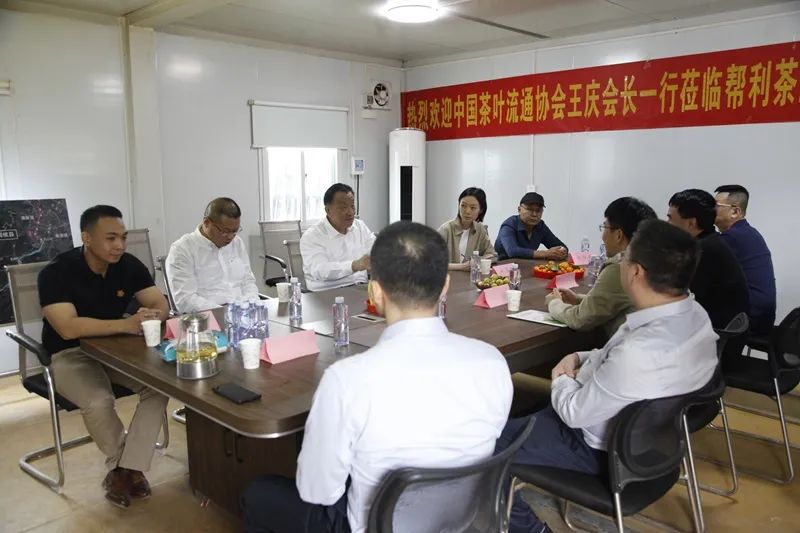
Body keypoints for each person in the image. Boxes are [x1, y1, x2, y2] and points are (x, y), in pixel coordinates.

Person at [242, 221, 512, 533]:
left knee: (258, 493)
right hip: (461, 521)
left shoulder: (347, 380)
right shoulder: (492, 362)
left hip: (373, 526)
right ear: (445, 287)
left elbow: (319, 493)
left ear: (375, 292)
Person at [499, 220, 718, 533]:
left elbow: (573, 413)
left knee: (482, 446)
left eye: (624, 258)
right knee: (519, 411)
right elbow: (612, 354)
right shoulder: (695, 318)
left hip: (594, 447)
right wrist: (578, 357)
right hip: (656, 444)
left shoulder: (640, 352)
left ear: (635, 272)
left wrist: (561, 376)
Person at [38, 205, 170, 509]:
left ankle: (127, 468)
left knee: (160, 385)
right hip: (69, 354)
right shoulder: (55, 273)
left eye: (123, 237)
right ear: (86, 238)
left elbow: (159, 303)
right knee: (99, 401)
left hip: (117, 351)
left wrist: (151, 315)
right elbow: (68, 328)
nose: (119, 245)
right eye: (111, 238)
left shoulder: (128, 265)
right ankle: (123, 468)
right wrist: (127, 324)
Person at [546, 197, 656, 338]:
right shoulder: (651, 261)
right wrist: (578, 299)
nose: (602, 237)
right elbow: (617, 301)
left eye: (604, 227)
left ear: (618, 235)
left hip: (628, 346)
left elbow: (580, 319)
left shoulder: (621, 267)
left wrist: (554, 303)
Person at [668, 189, 750, 329]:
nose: (667, 224)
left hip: (715, 332)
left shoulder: (704, 250)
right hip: (714, 326)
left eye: (670, 218)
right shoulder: (710, 242)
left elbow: (679, 296)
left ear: (691, 223)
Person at [166, 197, 259, 313]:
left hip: (242, 313)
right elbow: (185, 300)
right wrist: (225, 313)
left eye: (235, 231)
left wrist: (251, 304)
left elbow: (248, 281)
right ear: (206, 223)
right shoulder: (182, 249)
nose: (230, 237)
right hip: (208, 316)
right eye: (225, 231)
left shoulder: (237, 243)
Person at [714, 184, 777, 334]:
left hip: (746, 319)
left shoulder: (734, 237)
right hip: (759, 316)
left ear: (735, 211)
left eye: (715, 206)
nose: (710, 210)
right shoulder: (747, 232)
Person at [300, 183, 375, 292]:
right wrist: (354, 265)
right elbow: (321, 270)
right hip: (326, 292)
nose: (350, 212)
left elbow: (375, 249)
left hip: (360, 288)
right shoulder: (312, 236)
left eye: (352, 206)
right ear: (328, 210)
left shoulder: (360, 227)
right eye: (343, 207)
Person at [495, 192, 567, 261]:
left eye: (538, 210)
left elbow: (560, 245)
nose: (534, 214)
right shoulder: (509, 225)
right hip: (504, 266)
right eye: (529, 209)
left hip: (528, 264)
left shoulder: (540, 226)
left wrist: (561, 252)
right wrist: (546, 253)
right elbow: (512, 251)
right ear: (519, 210)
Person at [438, 187, 497, 270]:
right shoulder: (446, 229)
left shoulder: (480, 229)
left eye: (473, 208)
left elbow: (493, 255)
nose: (467, 211)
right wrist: (462, 266)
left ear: (480, 210)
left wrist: (476, 261)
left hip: (469, 276)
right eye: (463, 206)